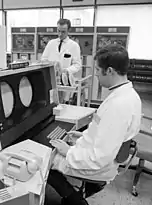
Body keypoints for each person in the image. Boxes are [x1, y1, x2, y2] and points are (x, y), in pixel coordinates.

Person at [46, 44, 142, 205]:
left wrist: (68, 151)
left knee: (44, 160)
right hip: (101, 156)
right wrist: (83, 136)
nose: (96, 74)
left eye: (97, 70)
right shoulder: (128, 95)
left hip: (98, 165)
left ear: (110, 71)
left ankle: (74, 200)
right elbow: (108, 134)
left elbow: (99, 158)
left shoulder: (118, 105)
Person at [41, 18, 82, 103]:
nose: (60, 34)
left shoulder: (74, 46)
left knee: (63, 103)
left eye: (63, 32)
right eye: (58, 31)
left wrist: (66, 70)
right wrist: (51, 65)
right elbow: (43, 59)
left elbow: (77, 65)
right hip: (51, 79)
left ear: (69, 30)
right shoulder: (51, 43)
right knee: (50, 103)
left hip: (65, 81)